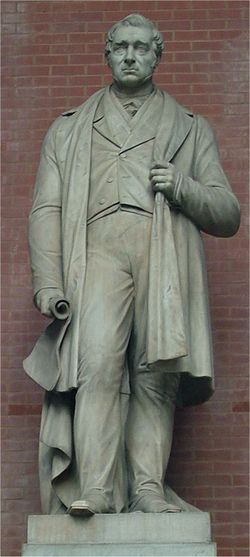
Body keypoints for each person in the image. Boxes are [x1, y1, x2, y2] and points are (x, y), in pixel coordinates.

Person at [24, 14, 240, 516]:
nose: (129, 55)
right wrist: (48, 281)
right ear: (107, 53)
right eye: (120, 46)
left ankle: (146, 488)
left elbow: (227, 213)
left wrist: (182, 186)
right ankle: (97, 489)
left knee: (153, 372)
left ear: (157, 55)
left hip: (162, 252)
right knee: (96, 362)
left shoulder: (190, 127)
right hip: (97, 249)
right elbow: (46, 208)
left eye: (141, 47)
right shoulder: (71, 128)